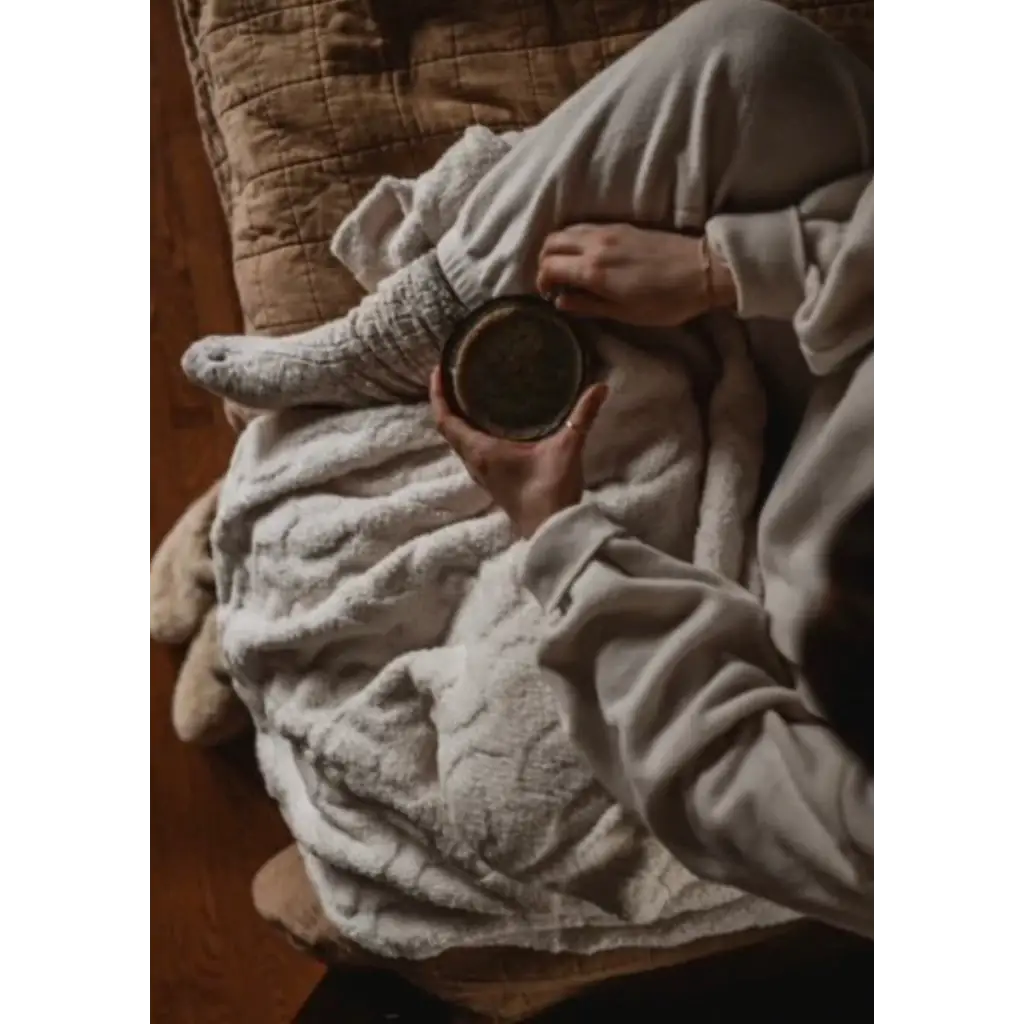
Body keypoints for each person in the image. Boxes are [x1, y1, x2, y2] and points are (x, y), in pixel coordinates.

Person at [428, 0, 879, 938]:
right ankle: (411, 325)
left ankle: (374, 430)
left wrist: (561, 537)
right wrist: (735, 267)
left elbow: (727, 777)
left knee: (499, 799)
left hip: (749, 592)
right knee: (753, 57)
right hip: (848, 326)